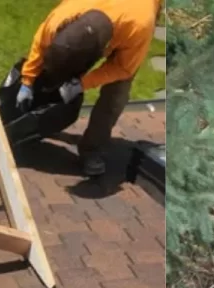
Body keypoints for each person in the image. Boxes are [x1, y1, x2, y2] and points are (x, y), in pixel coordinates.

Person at [18, 0, 160, 176]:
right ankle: (32, 123)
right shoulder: (61, 18)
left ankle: (92, 149)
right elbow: (41, 44)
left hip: (133, 21)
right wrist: (27, 81)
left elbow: (123, 68)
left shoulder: (140, 26)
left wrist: (81, 84)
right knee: (54, 62)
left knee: (116, 95)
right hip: (107, 19)